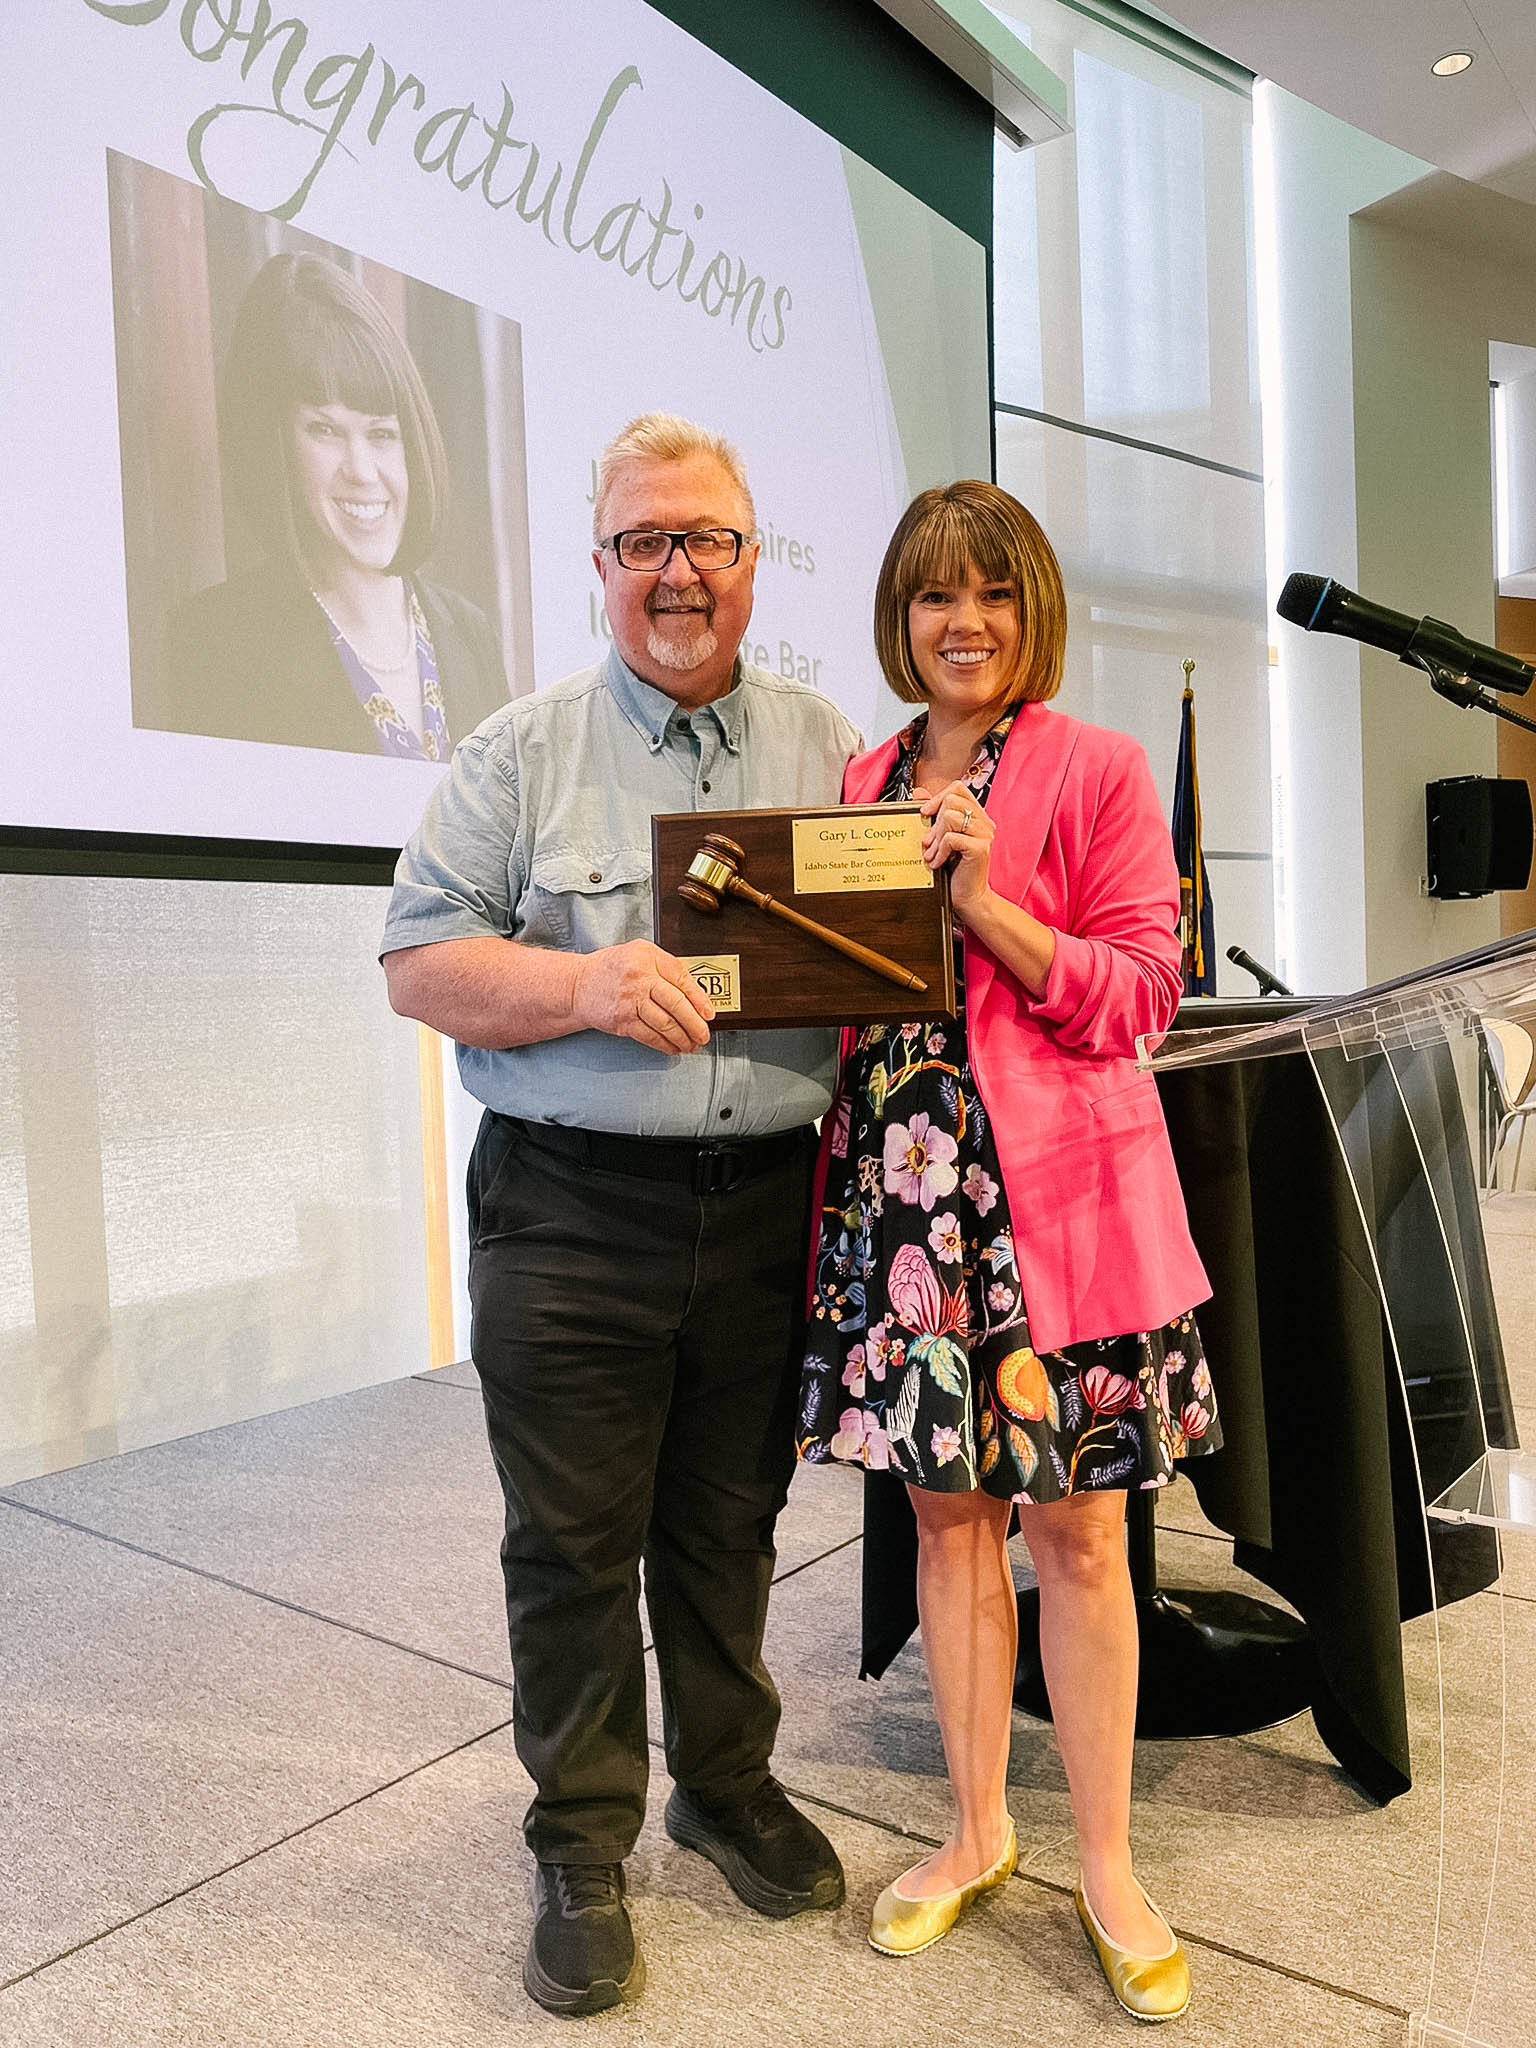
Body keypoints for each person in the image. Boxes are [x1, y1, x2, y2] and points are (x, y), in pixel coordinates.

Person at [380, 415, 859, 2019]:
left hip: (770, 1206)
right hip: (573, 1211)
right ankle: (581, 1839)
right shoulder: (515, 753)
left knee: (728, 1530)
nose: (676, 569)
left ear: (749, 561)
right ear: (600, 567)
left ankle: (724, 1787)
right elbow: (418, 967)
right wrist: (584, 981)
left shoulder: (826, 744)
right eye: (643, 540)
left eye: (705, 539)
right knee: (574, 1542)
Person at [800, 481, 1219, 2024]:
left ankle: (1105, 1860)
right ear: (899, 621)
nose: (959, 620)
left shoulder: (1100, 769)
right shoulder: (857, 774)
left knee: (1084, 1538)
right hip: (907, 1201)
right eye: (930, 596)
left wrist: (986, 908)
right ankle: (978, 1829)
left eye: (987, 591)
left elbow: (1142, 992)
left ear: (1028, 606)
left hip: (1061, 1207)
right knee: (950, 1527)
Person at [164, 252, 508, 756]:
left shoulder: (470, 632)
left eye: (383, 433)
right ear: (273, 440)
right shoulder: (216, 640)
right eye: (324, 430)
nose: (363, 471)